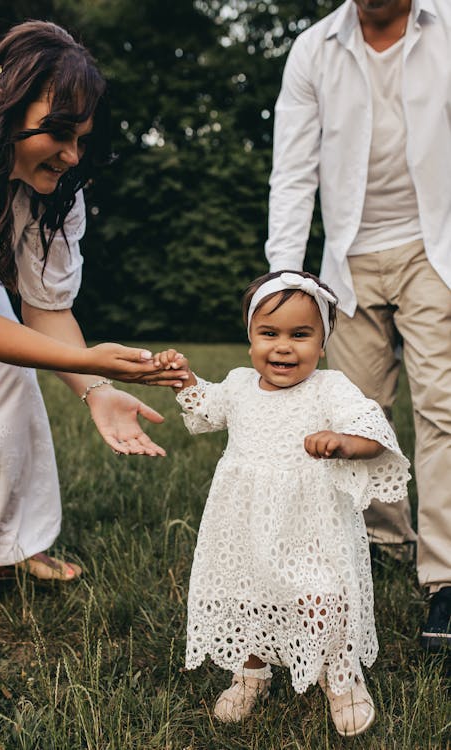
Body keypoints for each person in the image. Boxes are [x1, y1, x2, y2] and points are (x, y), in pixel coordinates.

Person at [0, 21, 188, 581]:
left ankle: (7, 553)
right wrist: (86, 360)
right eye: (57, 132)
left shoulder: (54, 190)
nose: (71, 155)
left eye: (80, 138)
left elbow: (45, 307)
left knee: (9, 380)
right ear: (0, 108)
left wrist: (97, 390)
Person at [264, 0, 451, 651]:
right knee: (358, 413)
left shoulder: (447, 28)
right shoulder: (314, 49)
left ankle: (446, 577)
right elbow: (293, 172)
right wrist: (287, 282)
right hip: (348, 262)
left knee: (442, 408)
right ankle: (384, 541)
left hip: (437, 250)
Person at [154, 271, 410, 736]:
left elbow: (374, 434)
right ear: (250, 338)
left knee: (322, 596)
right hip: (245, 522)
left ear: (323, 342)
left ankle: (340, 674)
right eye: (269, 334)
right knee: (247, 594)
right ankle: (251, 671)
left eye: (301, 334)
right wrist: (182, 378)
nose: (283, 347)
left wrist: (345, 442)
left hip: (310, 524)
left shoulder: (330, 388)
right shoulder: (238, 384)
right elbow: (205, 406)